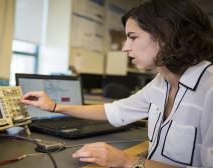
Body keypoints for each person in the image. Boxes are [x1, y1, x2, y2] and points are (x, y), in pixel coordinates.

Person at [21, 0, 213, 167]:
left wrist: (126, 161)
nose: (124, 47)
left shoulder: (209, 89)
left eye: (133, 37)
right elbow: (116, 111)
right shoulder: (161, 82)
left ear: (166, 35)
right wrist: (54, 107)